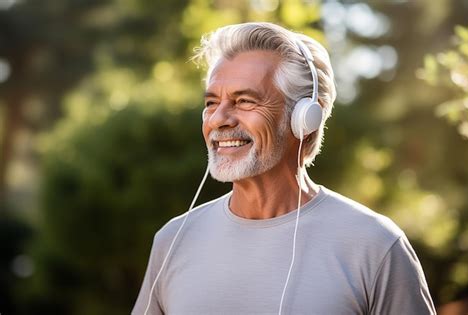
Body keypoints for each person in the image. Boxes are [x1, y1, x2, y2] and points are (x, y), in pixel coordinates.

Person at [132, 22, 436, 315]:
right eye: (211, 103)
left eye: (245, 101)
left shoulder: (374, 244)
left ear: (303, 118)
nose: (219, 119)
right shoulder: (173, 240)